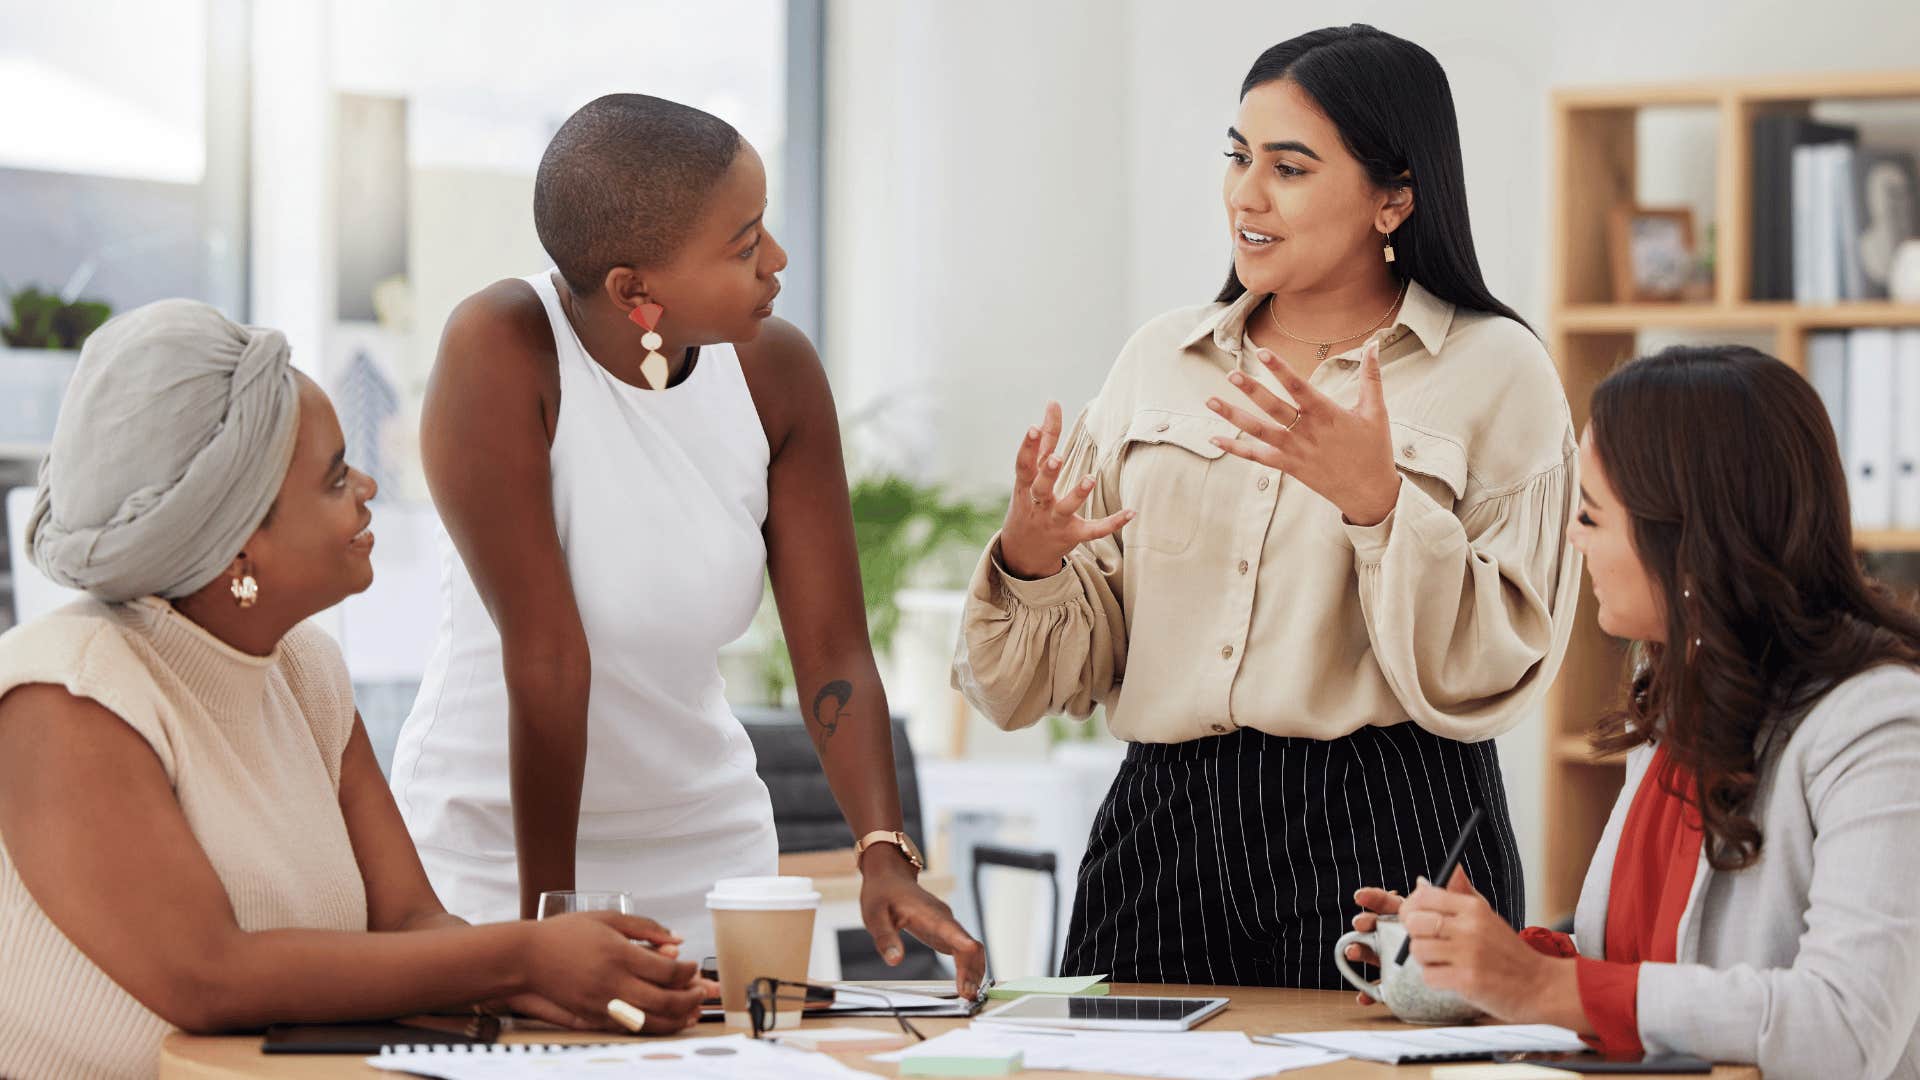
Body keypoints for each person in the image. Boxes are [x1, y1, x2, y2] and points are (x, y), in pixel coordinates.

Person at [953, 24, 1582, 988]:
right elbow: (1054, 677)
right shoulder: (1159, 359)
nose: (1245, 195)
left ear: (1394, 196)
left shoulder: (1496, 370)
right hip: (1162, 824)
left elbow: (1498, 661)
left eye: (1288, 167)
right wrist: (1031, 561)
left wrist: (1380, 505)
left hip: (1391, 818)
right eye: (1239, 157)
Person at [0, 301, 715, 1079]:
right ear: (238, 543)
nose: (369, 487)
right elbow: (208, 976)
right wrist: (523, 958)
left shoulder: (307, 672)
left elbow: (408, 923)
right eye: (336, 477)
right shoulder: (66, 695)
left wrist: (560, 982)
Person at [388, 93, 983, 988]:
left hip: (712, 861)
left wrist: (882, 853)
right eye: (745, 246)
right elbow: (548, 656)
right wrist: (546, 926)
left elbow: (831, 647)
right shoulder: (505, 347)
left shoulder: (775, 372)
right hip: (496, 857)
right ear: (636, 290)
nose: (777, 261)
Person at [1350, 345, 1920, 1078]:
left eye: (1589, 513)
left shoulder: (1880, 725)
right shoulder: (1682, 684)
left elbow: (1842, 1028)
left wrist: (1543, 987)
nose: (1571, 537)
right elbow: (1647, 970)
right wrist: (1487, 965)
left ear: (1685, 539)